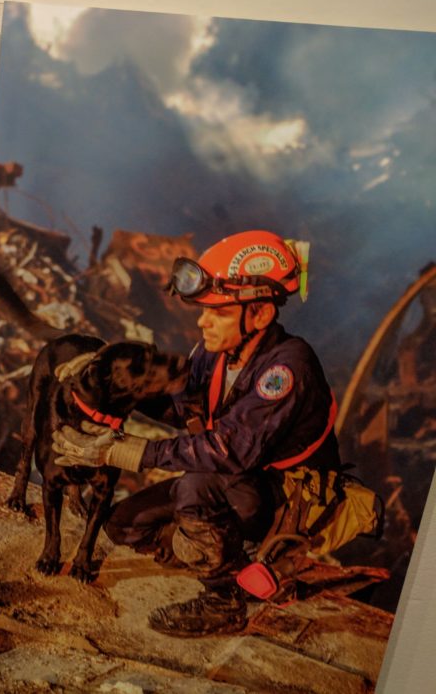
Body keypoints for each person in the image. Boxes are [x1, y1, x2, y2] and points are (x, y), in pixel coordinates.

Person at [53, 230, 340, 637]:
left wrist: (127, 452)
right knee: (122, 525)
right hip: (234, 481)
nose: (202, 321)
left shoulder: (288, 367)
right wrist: (107, 379)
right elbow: (186, 411)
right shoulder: (215, 351)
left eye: (218, 312)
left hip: (279, 494)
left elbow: (232, 450)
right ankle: (228, 556)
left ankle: (224, 600)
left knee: (195, 488)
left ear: (258, 314)